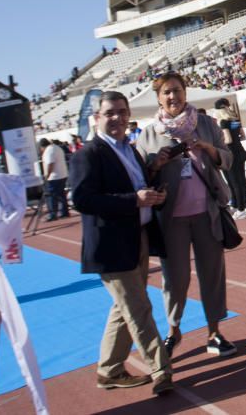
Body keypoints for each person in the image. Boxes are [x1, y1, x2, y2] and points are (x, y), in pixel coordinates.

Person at [69, 91, 173, 396]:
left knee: (123, 308)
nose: (117, 118)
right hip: (112, 246)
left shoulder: (131, 151)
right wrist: (134, 200)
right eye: (110, 113)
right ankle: (162, 370)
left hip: (136, 239)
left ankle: (109, 370)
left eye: (122, 112)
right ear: (98, 117)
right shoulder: (87, 154)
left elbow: (137, 189)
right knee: (139, 309)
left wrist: (153, 193)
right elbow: (82, 199)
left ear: (129, 116)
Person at [135, 72, 237, 360]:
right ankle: (174, 331)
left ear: (185, 92)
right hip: (171, 220)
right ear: (158, 98)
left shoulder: (205, 123)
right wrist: (156, 165)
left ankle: (214, 332)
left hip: (208, 214)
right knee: (175, 279)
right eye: (166, 92)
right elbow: (141, 177)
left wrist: (209, 150)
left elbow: (228, 160)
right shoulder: (148, 134)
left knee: (212, 275)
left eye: (177, 90)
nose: (172, 97)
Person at [214, 98, 246, 219]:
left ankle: (240, 208)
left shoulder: (223, 122)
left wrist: (217, 143)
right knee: (242, 180)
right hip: (240, 151)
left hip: (230, 154)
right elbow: (243, 137)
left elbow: (228, 140)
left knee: (234, 182)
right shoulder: (235, 120)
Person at [39, 138, 70, 221]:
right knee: (61, 194)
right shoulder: (57, 148)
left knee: (51, 195)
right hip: (63, 174)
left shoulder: (49, 151)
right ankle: (65, 212)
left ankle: (53, 214)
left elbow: (50, 164)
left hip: (54, 176)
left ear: (42, 146)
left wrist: (47, 175)